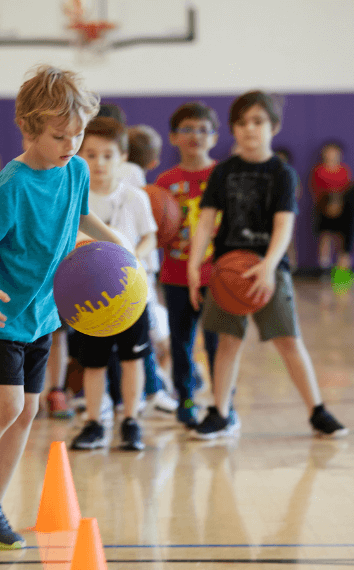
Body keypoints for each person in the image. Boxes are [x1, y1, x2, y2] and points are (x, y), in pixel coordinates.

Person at [0, 65, 122, 549]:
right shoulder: (13, 183)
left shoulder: (74, 170)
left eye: (78, 135)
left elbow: (81, 216)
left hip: (42, 316)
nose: (72, 146)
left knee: (28, 411)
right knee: (8, 404)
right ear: (30, 129)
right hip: (1, 316)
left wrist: (116, 243)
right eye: (60, 136)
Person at [187, 90, 348, 440]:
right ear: (233, 128)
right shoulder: (223, 172)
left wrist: (269, 266)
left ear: (273, 127)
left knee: (289, 341)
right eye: (242, 122)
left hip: (268, 269)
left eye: (258, 121)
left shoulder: (282, 173)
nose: (249, 129)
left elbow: (283, 224)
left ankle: (317, 410)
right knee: (227, 342)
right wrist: (193, 265)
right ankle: (219, 411)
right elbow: (205, 221)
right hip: (228, 267)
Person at [70, 116, 158, 451]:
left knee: (132, 358)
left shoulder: (135, 197)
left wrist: (134, 256)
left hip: (132, 296)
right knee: (93, 362)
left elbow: (151, 236)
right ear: (79, 155)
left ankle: (131, 419)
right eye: (90, 155)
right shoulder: (75, 200)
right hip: (90, 297)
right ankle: (94, 421)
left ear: (122, 157)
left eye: (107, 155)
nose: (99, 163)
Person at [154, 102, 222, 428]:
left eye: (203, 129)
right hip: (176, 274)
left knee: (217, 343)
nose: (195, 135)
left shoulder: (223, 177)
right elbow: (155, 230)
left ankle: (224, 402)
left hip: (218, 276)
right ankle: (185, 398)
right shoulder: (164, 183)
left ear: (214, 136)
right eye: (187, 129)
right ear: (172, 137)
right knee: (181, 342)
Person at [126, 124, 177, 413]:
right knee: (148, 334)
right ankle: (154, 389)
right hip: (138, 268)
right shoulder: (136, 181)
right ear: (154, 161)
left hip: (122, 264)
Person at [309, 142, 352, 274]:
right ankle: (325, 267)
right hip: (324, 208)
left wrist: (338, 203)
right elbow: (315, 189)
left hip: (341, 208)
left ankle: (341, 270)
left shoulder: (344, 171)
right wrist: (327, 204)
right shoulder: (318, 170)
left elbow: (348, 189)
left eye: (334, 152)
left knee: (340, 238)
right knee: (325, 236)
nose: (331, 155)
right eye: (328, 152)